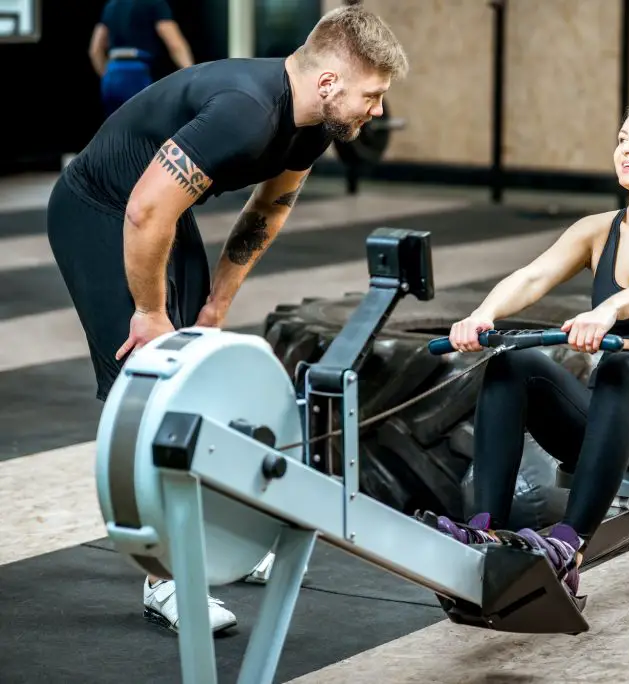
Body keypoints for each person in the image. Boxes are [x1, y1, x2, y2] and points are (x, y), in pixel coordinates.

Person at [48, 5, 408, 634]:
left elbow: (266, 212)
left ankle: (216, 534)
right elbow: (140, 211)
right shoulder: (245, 110)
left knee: (197, 377)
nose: (376, 110)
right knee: (144, 389)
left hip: (159, 213)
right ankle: (166, 580)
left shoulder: (314, 127)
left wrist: (216, 305)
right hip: (101, 209)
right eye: (372, 95)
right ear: (329, 84)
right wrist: (151, 314)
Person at [428, 99, 629, 600]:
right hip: (610, 418)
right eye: (623, 138)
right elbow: (533, 275)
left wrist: (610, 311)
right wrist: (483, 315)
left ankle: (568, 546)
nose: (627, 148)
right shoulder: (597, 230)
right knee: (512, 363)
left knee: (621, 367)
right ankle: (485, 528)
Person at [88, 0, 195, 117]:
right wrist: (192, 74)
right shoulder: (155, 3)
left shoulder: (112, 5)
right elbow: (174, 44)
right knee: (146, 125)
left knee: (117, 129)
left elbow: (95, 50)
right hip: (137, 71)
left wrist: (107, 75)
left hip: (112, 72)